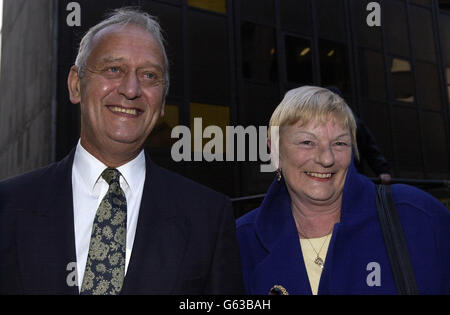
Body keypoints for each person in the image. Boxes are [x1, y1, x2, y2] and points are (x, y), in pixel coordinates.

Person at [0, 8, 244, 295]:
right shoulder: (8, 206)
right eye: (113, 69)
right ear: (76, 85)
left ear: (163, 101)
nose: (131, 89)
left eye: (150, 75)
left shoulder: (209, 218)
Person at [236, 86, 450, 294]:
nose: (327, 158)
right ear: (274, 152)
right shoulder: (239, 242)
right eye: (307, 142)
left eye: (339, 143)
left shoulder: (417, 216)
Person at [326, 86, 392, 185]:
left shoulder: (353, 123)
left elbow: (370, 148)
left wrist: (382, 170)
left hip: (350, 177)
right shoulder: (316, 123)